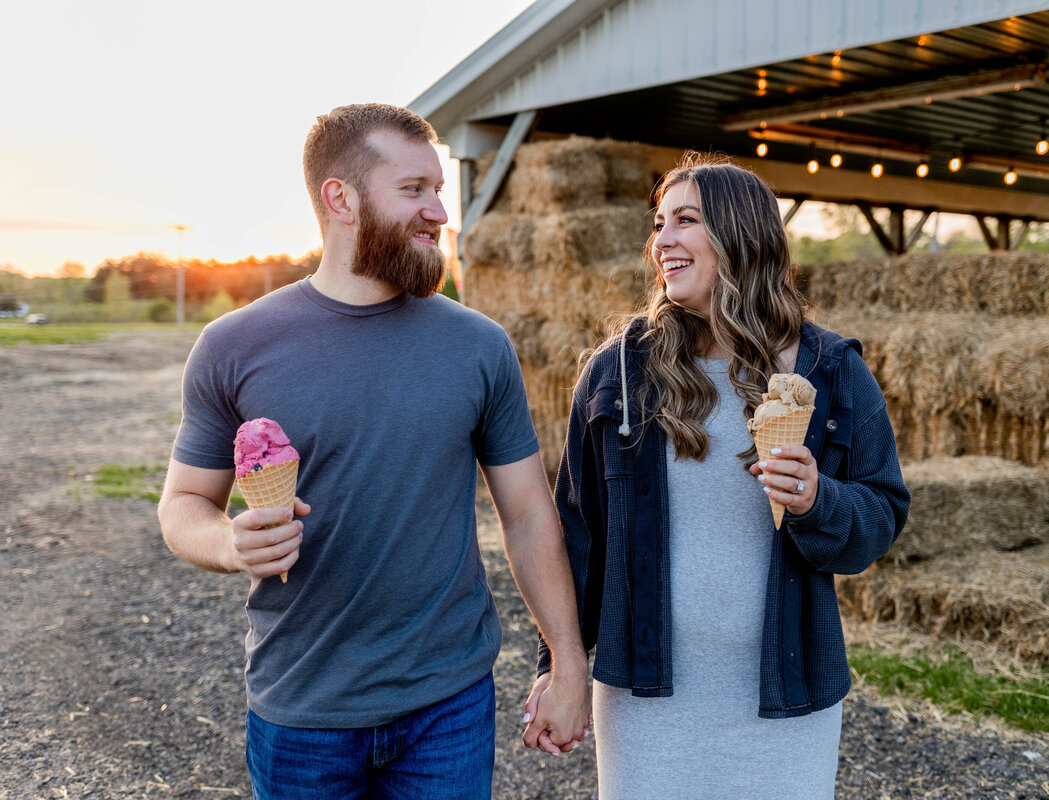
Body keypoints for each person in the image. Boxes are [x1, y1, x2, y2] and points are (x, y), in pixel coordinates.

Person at [157, 103, 589, 800]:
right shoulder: (234, 346)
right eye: (415, 189)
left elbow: (530, 515)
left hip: (448, 707)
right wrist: (231, 544)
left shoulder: (479, 346)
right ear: (341, 199)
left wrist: (566, 663)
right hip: (302, 714)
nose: (440, 212)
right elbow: (182, 506)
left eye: (440, 189)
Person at [524, 155, 910, 798]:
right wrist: (560, 668)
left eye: (685, 221)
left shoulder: (832, 371)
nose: (661, 241)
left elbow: (883, 514)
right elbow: (577, 534)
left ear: (740, 234)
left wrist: (819, 499)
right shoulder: (618, 372)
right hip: (644, 696)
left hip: (785, 697)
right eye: (658, 223)